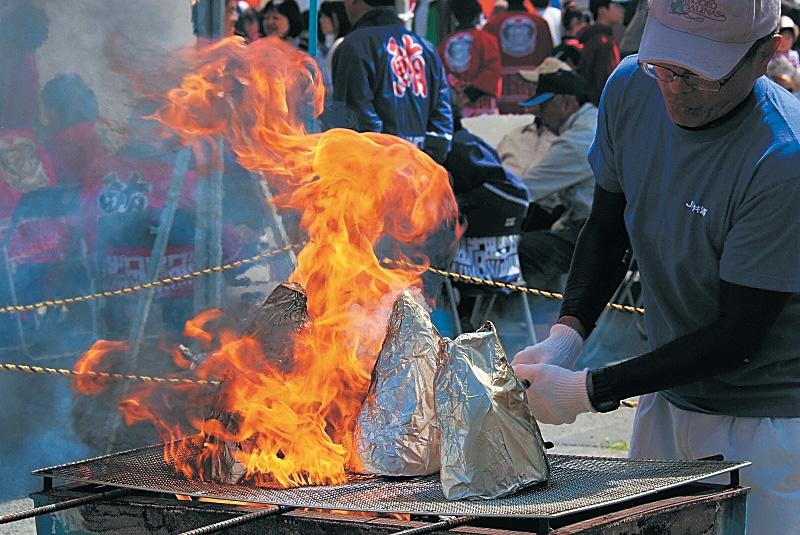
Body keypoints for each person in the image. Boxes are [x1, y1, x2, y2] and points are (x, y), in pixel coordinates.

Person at [511, 1, 800, 532]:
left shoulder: (783, 158)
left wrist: (586, 390)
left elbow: (738, 337)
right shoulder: (630, 87)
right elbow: (606, 224)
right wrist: (566, 335)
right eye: (664, 63)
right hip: (667, 399)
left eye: (697, 73)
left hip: (769, 420)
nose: (673, 86)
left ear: (768, 53)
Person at [331, 0, 453, 163]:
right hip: (422, 174)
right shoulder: (427, 48)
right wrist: (429, 163)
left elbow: (357, 118)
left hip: (378, 174)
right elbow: (442, 120)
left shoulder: (355, 45)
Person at [514, 70, 596, 292]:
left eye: (543, 108)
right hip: (615, 232)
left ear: (566, 104)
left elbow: (524, 191)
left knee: (517, 250)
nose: (540, 116)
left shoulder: (578, 140)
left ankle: (526, 318)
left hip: (598, 235)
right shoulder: (595, 124)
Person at [484, 0, 553, 113]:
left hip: (501, 105)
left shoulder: (491, 25)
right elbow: (549, 59)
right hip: (535, 102)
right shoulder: (541, 24)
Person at [438, 0, 502, 118]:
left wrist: (458, 89)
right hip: (483, 108)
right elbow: (492, 71)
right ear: (477, 16)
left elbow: (440, 73)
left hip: (455, 107)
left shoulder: (444, 44)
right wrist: (472, 92)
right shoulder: (487, 39)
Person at [578, 0, 626, 104]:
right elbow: (606, 82)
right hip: (601, 105)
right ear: (602, 11)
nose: (622, 10)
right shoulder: (604, 42)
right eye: (617, 6)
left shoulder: (589, 36)